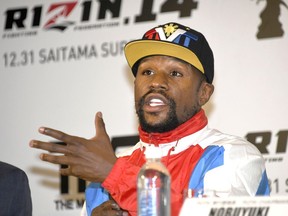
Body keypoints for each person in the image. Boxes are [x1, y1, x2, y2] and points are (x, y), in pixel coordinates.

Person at [29, 22, 270, 216]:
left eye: (175, 73)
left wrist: (116, 176)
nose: (156, 82)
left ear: (204, 93)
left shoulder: (232, 155)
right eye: (147, 72)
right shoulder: (111, 167)